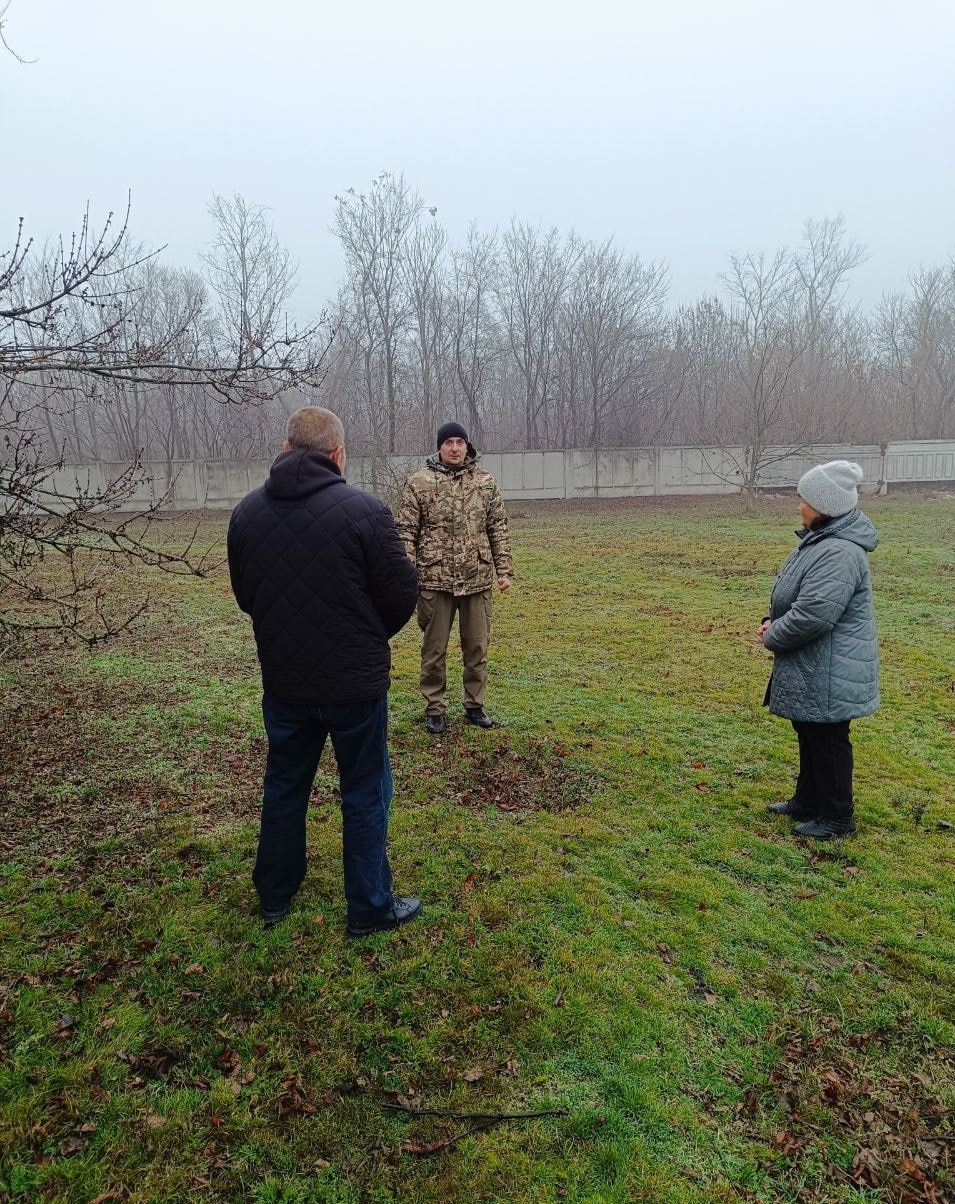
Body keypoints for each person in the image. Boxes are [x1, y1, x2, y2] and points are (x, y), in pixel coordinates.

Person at [227, 406, 422, 936]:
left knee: (284, 786)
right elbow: (401, 594)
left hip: (285, 680)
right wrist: (365, 637)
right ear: (338, 454)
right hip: (354, 686)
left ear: (285, 448)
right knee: (365, 791)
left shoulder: (246, 513)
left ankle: (274, 895)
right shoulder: (366, 512)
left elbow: (247, 595)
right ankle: (369, 908)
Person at [759, 460, 879, 840]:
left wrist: (773, 634)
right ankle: (809, 800)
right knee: (810, 728)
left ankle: (837, 818)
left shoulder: (839, 552)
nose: (799, 506)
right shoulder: (821, 541)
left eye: (805, 500)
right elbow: (799, 594)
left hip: (831, 665)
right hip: (818, 662)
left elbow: (814, 614)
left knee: (827, 738)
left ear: (825, 505)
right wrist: (772, 618)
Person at [396, 421, 513, 735]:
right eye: (448, 442)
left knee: (477, 648)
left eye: (460, 442)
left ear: (467, 446)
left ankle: (475, 705)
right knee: (434, 650)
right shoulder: (419, 482)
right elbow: (405, 532)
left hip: (477, 578)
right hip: (434, 580)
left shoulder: (485, 482)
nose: (455, 448)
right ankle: (434, 708)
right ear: (439, 447)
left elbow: (498, 527)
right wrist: (408, 574)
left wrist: (503, 570)